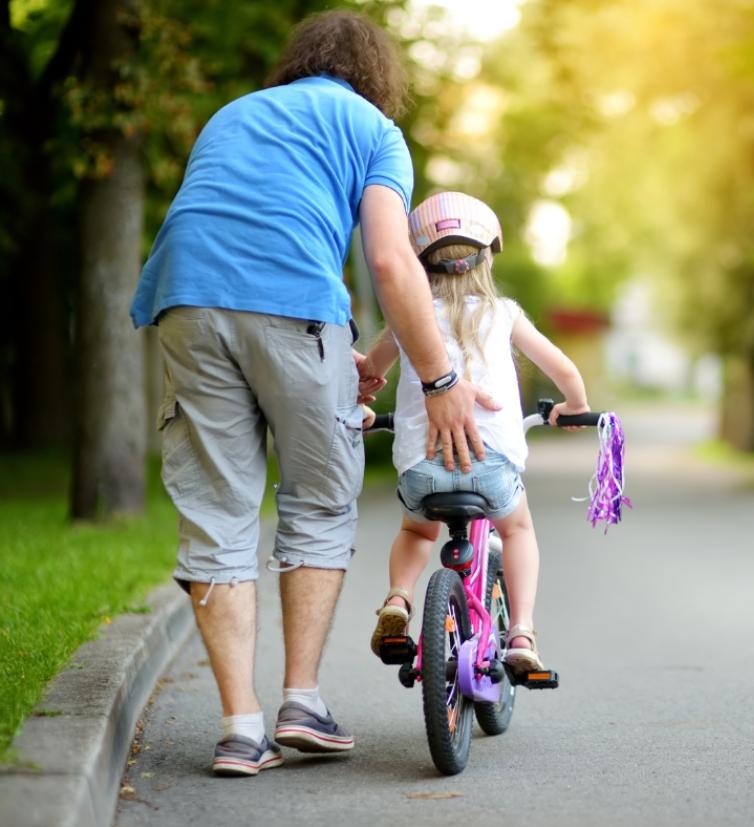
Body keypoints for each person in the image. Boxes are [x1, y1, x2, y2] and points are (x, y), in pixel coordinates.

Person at [129, 12, 495, 777]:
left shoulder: (233, 114)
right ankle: (301, 701)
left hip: (184, 301)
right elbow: (396, 265)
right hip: (296, 303)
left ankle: (239, 728)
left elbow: (232, 226)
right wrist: (442, 380)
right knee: (321, 499)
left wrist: (342, 360)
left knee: (219, 512)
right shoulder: (373, 128)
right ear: (376, 78)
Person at [360, 191, 590, 674]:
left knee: (416, 529)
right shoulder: (503, 314)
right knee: (519, 529)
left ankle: (399, 599)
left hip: (422, 471)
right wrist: (574, 406)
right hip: (493, 470)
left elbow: (368, 375)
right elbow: (564, 369)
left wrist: (360, 407)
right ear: (488, 255)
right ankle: (522, 632)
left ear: (417, 260)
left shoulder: (406, 321)